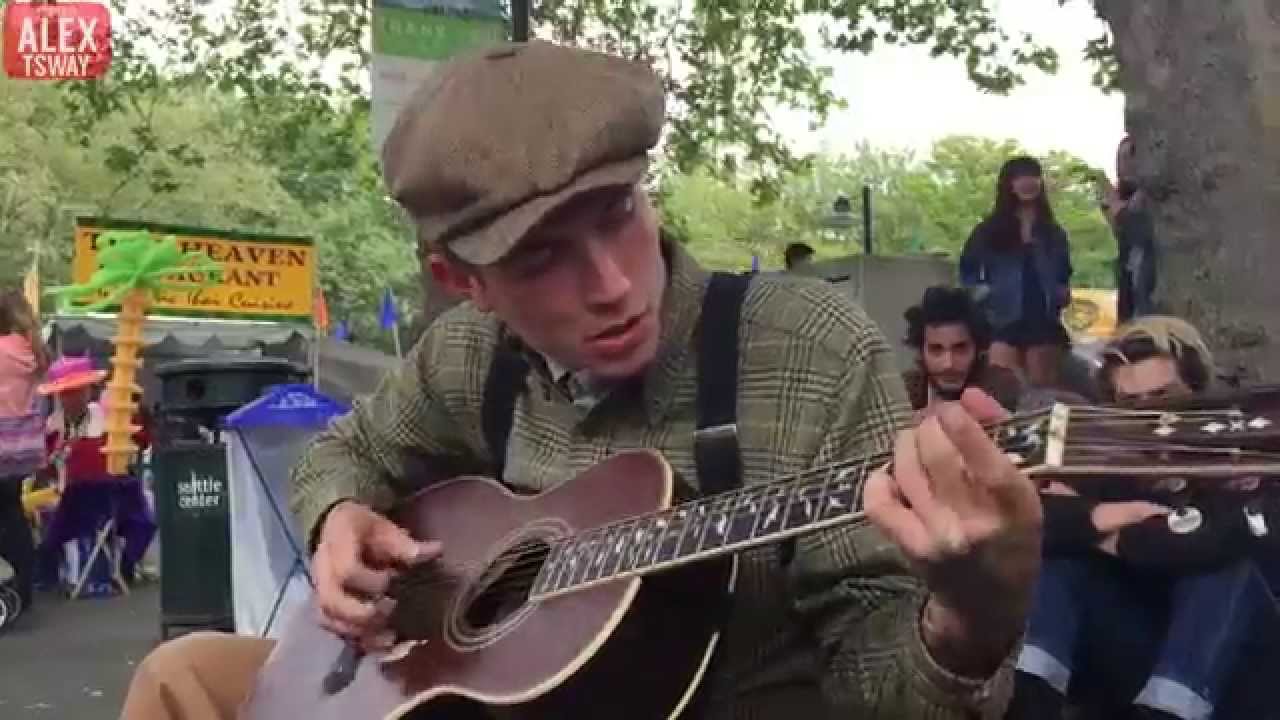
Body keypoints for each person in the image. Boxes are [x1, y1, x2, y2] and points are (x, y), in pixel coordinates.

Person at [120, 40, 1043, 720]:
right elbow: (346, 450)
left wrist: (970, 617)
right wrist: (337, 521)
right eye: (544, 260)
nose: (610, 285)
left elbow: (876, 692)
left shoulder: (810, 350)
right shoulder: (468, 354)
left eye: (618, 215)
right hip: (459, 694)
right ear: (463, 282)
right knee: (185, 676)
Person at [1008, 316, 1280, 720]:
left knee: (1226, 572)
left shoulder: (1247, 462)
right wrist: (1099, 515)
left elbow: (1217, 541)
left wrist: (1110, 534)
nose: (1156, 419)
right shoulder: (1109, 474)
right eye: (1134, 406)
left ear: (1198, 394)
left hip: (1243, 676)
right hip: (1136, 666)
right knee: (1061, 561)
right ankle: (1029, 697)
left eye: (1166, 397)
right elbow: (1030, 519)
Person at [34, 355, 154, 592]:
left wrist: (134, 414)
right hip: (66, 498)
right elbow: (44, 465)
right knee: (42, 517)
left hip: (110, 495)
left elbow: (141, 440)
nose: (73, 397)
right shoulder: (53, 425)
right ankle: (50, 578)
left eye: (78, 391)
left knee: (142, 518)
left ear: (88, 390)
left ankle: (123, 568)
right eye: (67, 392)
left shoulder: (108, 416)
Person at [961, 156, 1073, 387]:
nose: (1028, 182)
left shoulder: (1053, 233)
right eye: (1020, 177)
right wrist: (986, 296)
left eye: (1033, 176)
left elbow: (1064, 273)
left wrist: (1060, 294)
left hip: (1043, 320)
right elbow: (967, 272)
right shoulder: (989, 230)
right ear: (1008, 184)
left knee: (1043, 393)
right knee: (1003, 389)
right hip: (1002, 321)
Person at [0, 290, 51, 615]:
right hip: (21, 447)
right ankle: (23, 588)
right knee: (12, 514)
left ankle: (10, 588)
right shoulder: (31, 351)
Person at [901, 285, 1024, 417]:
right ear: (921, 351)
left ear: (978, 348)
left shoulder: (1000, 383)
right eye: (936, 349)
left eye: (960, 349)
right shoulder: (903, 391)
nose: (948, 364)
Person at [1101, 135, 1157, 323]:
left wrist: (1121, 213)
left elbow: (1144, 235)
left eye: (1130, 157)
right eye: (1121, 158)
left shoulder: (1150, 198)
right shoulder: (1121, 198)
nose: (1125, 164)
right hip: (1130, 287)